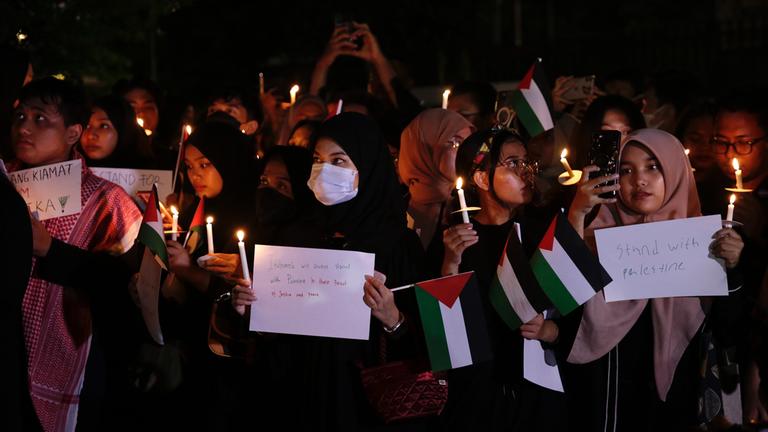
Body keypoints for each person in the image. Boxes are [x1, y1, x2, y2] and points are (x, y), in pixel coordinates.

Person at [233, 112, 429, 431]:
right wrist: (251, 311)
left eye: (339, 161)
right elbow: (277, 335)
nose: (324, 171)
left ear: (368, 167)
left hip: (365, 399)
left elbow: (426, 340)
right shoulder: (297, 235)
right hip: (301, 394)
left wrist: (394, 319)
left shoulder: (398, 244)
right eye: (317, 159)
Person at [565, 128, 744, 431]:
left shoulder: (708, 243)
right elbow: (565, 311)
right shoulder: (593, 239)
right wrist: (576, 217)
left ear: (676, 171)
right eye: (626, 170)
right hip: (606, 404)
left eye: (653, 166)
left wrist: (732, 267)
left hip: (678, 407)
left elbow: (730, 330)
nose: (640, 180)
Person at [8, 77, 142, 431]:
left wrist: (49, 249)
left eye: (40, 120)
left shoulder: (107, 201)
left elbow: (122, 287)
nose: (24, 128)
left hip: (79, 362)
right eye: (20, 117)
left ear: (72, 133)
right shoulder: (3, 185)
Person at [437, 127, 565, 431]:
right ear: (481, 178)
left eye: (527, 162)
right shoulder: (457, 240)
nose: (525, 172)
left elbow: (573, 311)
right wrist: (449, 264)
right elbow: (444, 332)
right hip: (478, 394)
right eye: (512, 163)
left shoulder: (542, 234)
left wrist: (550, 330)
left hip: (537, 391)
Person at [399, 108, 475, 248]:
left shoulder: (474, 209)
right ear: (423, 148)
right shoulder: (391, 210)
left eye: (468, 144)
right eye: (456, 143)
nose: (466, 154)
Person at [79, 94, 155, 169]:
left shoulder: (151, 174)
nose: (90, 135)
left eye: (104, 126)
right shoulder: (70, 171)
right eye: (86, 126)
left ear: (123, 131)